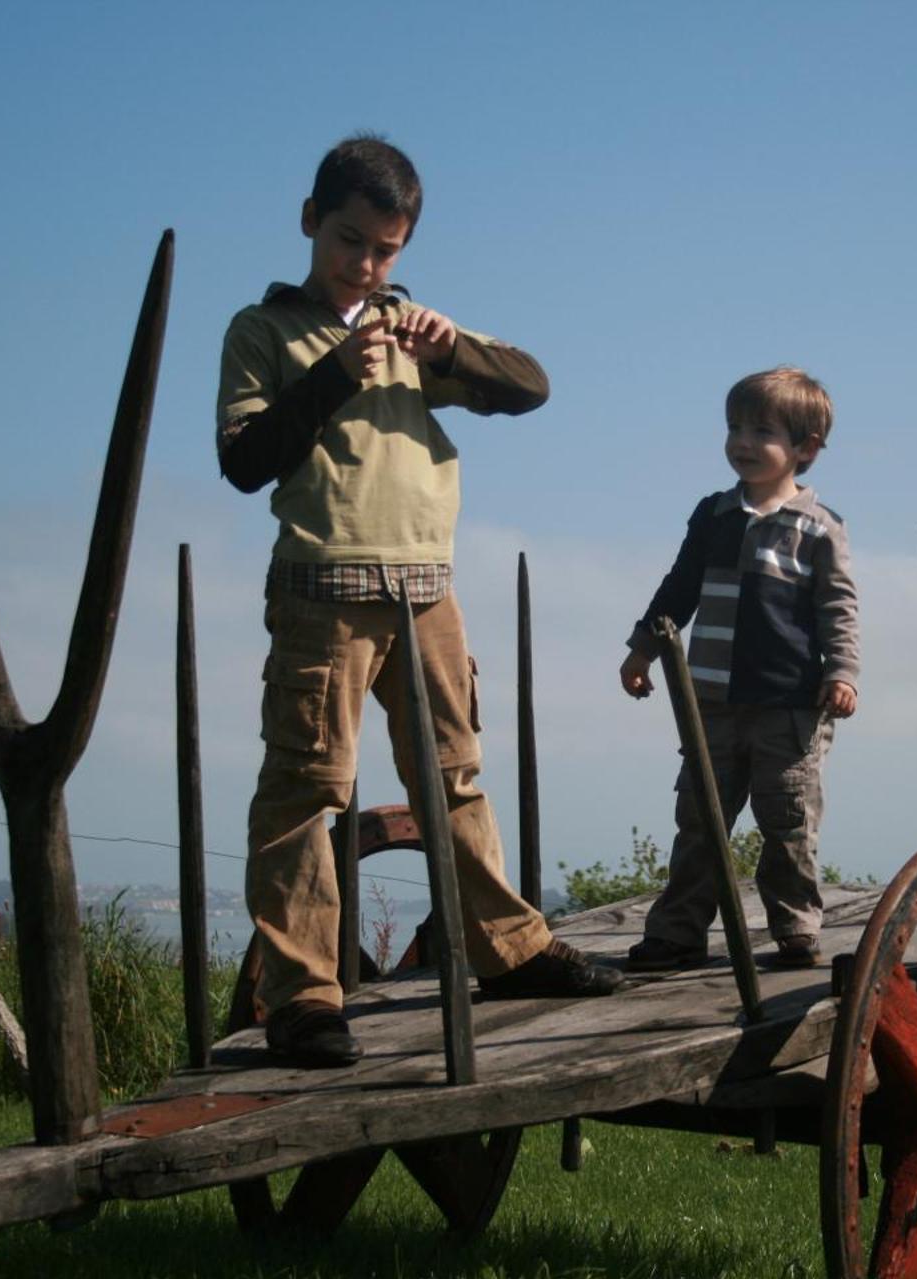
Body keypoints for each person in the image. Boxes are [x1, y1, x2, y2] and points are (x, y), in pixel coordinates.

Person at [217, 134, 623, 1068]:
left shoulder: (406, 331)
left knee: (455, 778)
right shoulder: (263, 330)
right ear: (310, 221)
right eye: (350, 240)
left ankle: (509, 951)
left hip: (425, 591)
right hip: (325, 591)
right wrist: (334, 374)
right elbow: (243, 462)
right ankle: (305, 1000)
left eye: (385, 250)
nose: (364, 264)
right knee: (303, 792)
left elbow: (531, 388)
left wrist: (454, 344)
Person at [617, 367, 859, 971]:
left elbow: (839, 605)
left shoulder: (818, 526)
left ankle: (795, 927)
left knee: (788, 821)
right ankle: (676, 932)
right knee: (700, 818)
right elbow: (679, 589)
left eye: (762, 431)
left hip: (790, 704)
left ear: (804, 449)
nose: (742, 442)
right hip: (713, 699)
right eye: (734, 427)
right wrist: (642, 648)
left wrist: (844, 671)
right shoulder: (714, 515)